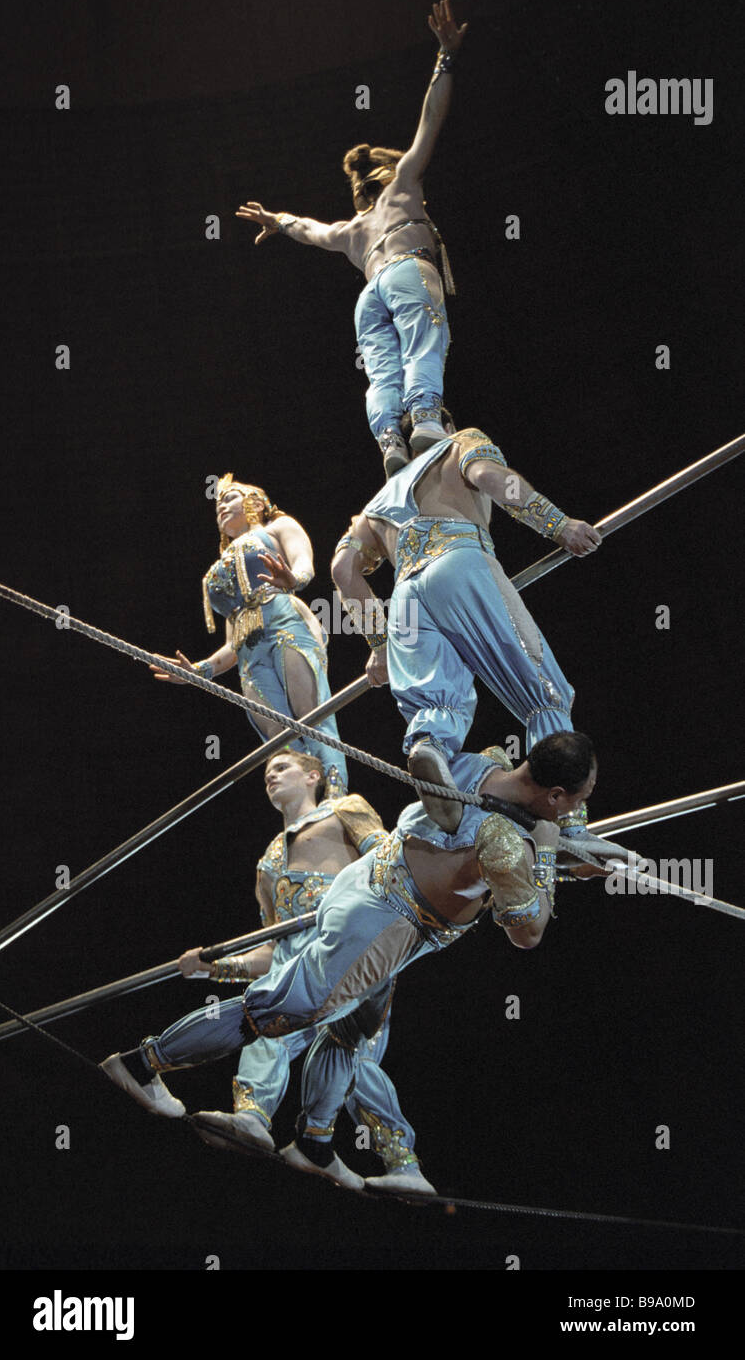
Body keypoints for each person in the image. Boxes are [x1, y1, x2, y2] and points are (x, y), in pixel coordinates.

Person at [100, 734, 605, 1175]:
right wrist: (547, 849)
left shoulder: (482, 763)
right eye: (576, 802)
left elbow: (478, 861)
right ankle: (143, 1064)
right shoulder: (511, 842)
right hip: (382, 923)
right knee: (279, 1011)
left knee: (351, 1027)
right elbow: (529, 931)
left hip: (376, 901)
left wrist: (567, 860)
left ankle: (316, 1145)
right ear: (555, 794)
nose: (574, 813)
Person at [104, 749, 435, 1195]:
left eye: (282, 767)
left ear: (314, 774)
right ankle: (260, 1121)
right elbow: (272, 950)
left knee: (353, 1059)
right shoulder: (270, 861)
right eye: (266, 773)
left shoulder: (345, 809)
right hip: (296, 970)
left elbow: (389, 866)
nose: (271, 776)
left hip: (351, 952)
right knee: (273, 1023)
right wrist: (215, 967)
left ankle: (394, 1162)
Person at [331, 415, 602, 832]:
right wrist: (558, 525)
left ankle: (430, 748)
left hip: (406, 596)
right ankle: (564, 820)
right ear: (444, 423)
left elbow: (342, 570)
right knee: (544, 693)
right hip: (458, 562)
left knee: (438, 708)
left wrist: (381, 645)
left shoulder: (374, 506)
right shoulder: (458, 444)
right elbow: (496, 480)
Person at [235, 0, 468, 476]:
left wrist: (276, 220)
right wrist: (445, 57)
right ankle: (424, 417)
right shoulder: (404, 182)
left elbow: (308, 229)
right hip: (407, 270)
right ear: (387, 169)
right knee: (424, 342)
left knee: (383, 371)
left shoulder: (352, 229)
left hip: (369, 294)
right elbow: (431, 121)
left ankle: (389, 441)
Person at [150, 474, 347, 796]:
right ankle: (303, 806)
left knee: (311, 717)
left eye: (229, 498)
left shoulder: (276, 528)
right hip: (247, 649)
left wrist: (292, 579)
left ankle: (336, 796)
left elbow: (304, 566)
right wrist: (198, 672)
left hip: (285, 621)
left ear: (255, 501)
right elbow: (230, 643)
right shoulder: (221, 563)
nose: (221, 507)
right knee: (280, 739)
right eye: (217, 506)